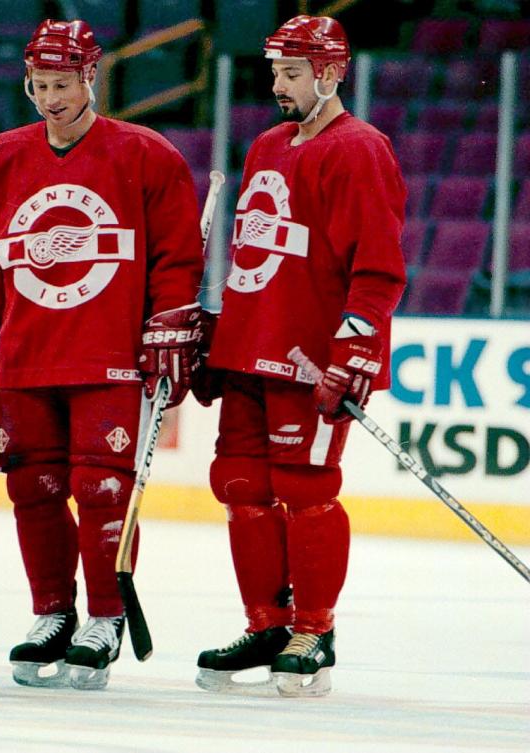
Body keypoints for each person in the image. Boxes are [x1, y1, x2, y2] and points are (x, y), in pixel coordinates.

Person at [0, 19, 205, 691]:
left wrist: (169, 323)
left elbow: (177, 256)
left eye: (63, 84)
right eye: (40, 85)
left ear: (92, 78)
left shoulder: (147, 156)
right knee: (33, 486)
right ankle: (51, 612)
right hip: (28, 357)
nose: (51, 99)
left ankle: (105, 615)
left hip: (111, 356)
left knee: (101, 487)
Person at [191, 15, 407, 698]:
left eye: (292, 73)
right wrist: (215, 335)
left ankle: (314, 628)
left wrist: (354, 349)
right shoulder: (266, 145)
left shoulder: (360, 150)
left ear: (331, 72)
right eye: (276, 72)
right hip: (249, 349)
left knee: (307, 491)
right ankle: (267, 625)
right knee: (240, 486)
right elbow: (255, 257)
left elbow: (377, 269)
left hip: (310, 357)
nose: (278, 86)